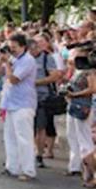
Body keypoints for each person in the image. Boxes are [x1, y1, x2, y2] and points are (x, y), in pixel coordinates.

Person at [0, 34, 38, 181]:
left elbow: (14, 79)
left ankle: (28, 170)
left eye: (14, 47)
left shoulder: (28, 60)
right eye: (10, 46)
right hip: (10, 103)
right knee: (10, 137)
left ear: (23, 46)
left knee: (24, 138)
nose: (11, 50)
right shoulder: (13, 59)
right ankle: (12, 167)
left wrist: (7, 64)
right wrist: (1, 60)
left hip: (23, 103)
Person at [30, 35, 62, 169]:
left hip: (42, 97)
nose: (35, 47)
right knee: (29, 128)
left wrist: (36, 82)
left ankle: (39, 154)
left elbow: (55, 75)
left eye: (38, 44)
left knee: (41, 127)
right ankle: (29, 153)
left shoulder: (46, 58)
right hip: (26, 98)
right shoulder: (25, 58)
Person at [64, 48, 96, 177]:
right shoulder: (78, 70)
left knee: (85, 141)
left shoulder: (89, 72)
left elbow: (93, 88)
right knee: (72, 135)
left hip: (83, 106)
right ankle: (76, 166)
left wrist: (74, 94)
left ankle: (91, 174)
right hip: (74, 105)